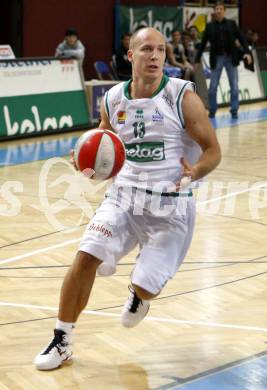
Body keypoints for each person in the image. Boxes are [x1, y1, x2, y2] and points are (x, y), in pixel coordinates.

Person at [34, 27, 221, 371]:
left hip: (170, 208)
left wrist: (195, 171)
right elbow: (104, 138)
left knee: (146, 286)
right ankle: (62, 341)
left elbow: (213, 150)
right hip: (123, 198)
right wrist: (85, 155)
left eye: (161, 50)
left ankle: (140, 294)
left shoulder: (182, 97)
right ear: (131, 56)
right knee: (86, 255)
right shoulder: (113, 98)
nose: (155, 56)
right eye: (147, 49)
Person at [194, 1, 252, 119]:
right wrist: (196, 60)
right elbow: (203, 43)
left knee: (234, 86)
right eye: (217, 9)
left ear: (224, 11)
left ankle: (234, 110)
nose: (219, 11)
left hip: (231, 58)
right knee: (213, 87)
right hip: (217, 58)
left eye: (221, 9)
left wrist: (248, 53)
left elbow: (241, 39)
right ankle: (213, 110)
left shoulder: (232, 24)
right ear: (214, 11)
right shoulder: (209, 26)